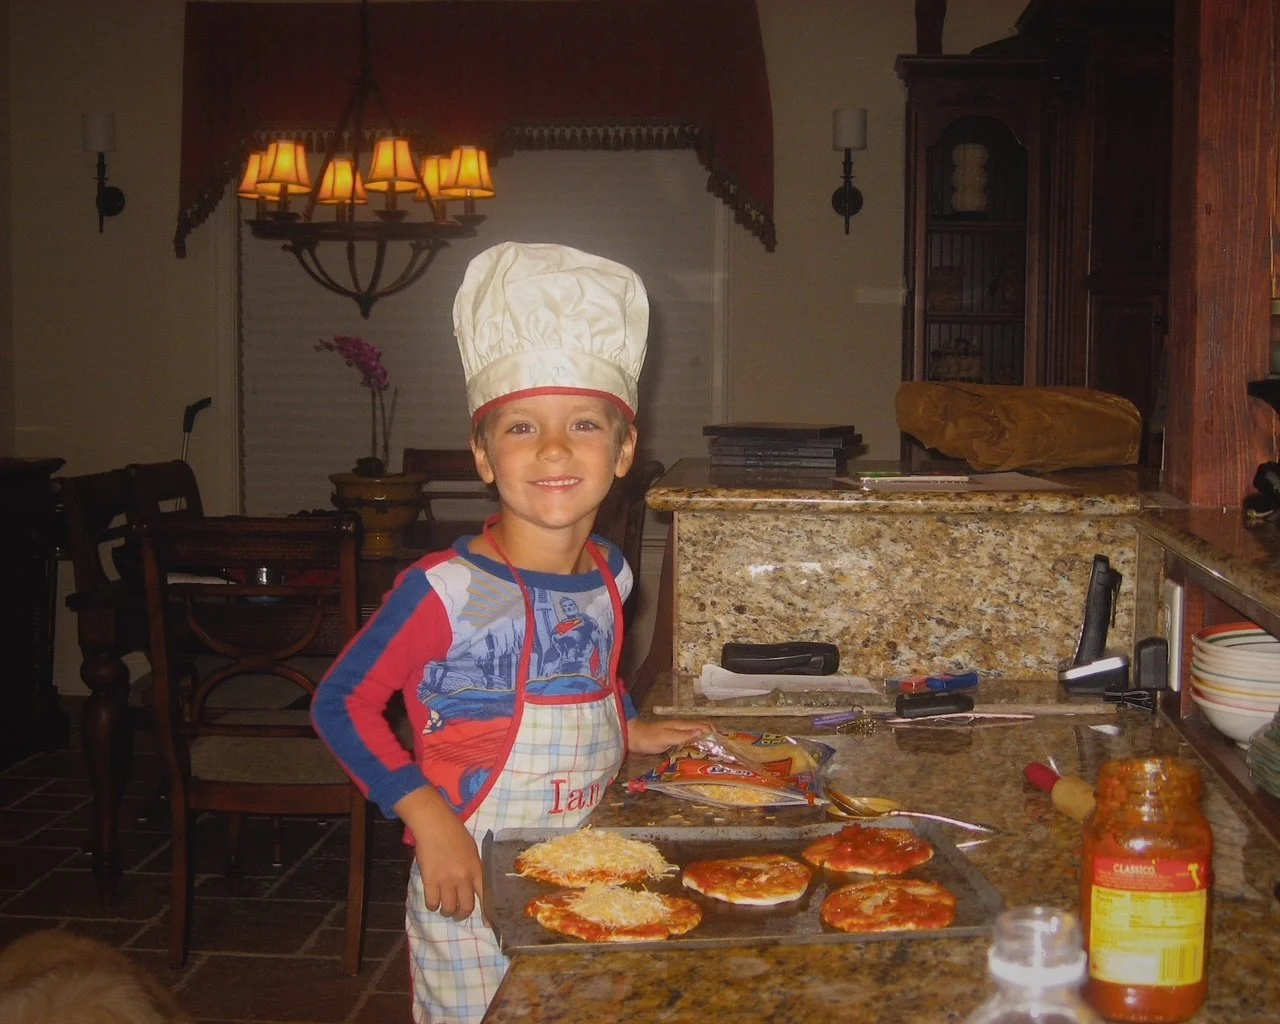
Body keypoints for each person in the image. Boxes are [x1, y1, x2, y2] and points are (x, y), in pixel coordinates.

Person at [311, 241, 708, 1024]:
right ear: (483, 456)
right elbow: (339, 706)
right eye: (521, 427)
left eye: (584, 424)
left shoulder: (611, 575)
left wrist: (630, 722)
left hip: (589, 862)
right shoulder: (444, 593)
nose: (554, 448)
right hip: (474, 878)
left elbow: (587, 672)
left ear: (625, 451)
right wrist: (427, 817)